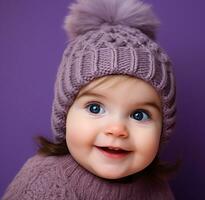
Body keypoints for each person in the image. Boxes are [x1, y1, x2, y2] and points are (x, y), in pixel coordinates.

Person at [2, 0, 177, 199]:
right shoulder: (41, 181)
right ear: (65, 115)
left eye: (139, 115)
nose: (117, 129)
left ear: (163, 129)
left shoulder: (157, 189)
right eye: (95, 108)